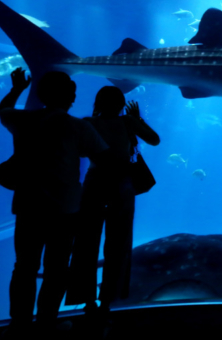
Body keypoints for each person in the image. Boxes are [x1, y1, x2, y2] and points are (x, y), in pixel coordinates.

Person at [0, 68, 111, 337]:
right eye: (72, 91)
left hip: (28, 206)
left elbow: (3, 110)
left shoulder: (23, 120)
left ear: (40, 93)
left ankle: (19, 326)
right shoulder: (78, 126)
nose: (74, 95)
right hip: (65, 209)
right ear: (69, 96)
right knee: (56, 270)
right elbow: (105, 159)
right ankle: (46, 323)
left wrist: (17, 89)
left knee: (24, 267)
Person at [66, 86, 160, 319]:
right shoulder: (128, 121)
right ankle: (109, 300)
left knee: (86, 243)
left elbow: (76, 152)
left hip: (94, 184)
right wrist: (137, 119)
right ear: (121, 103)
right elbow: (155, 140)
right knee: (118, 243)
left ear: (98, 102)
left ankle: (87, 301)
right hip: (122, 186)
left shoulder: (87, 122)